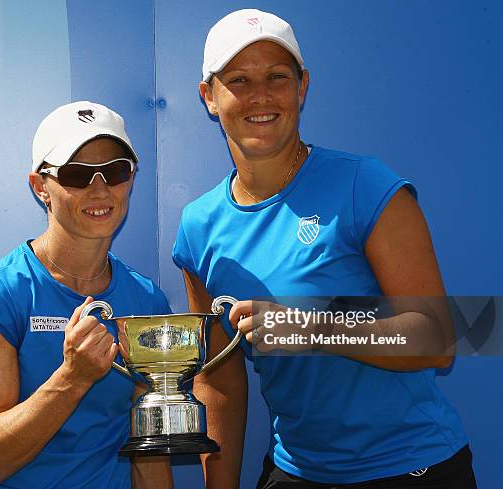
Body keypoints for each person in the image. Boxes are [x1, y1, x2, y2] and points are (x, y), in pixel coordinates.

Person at [172, 9, 477, 489]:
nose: (261, 96)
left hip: (411, 469)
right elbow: (219, 379)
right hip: (297, 472)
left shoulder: (365, 184)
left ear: (302, 87)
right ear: (209, 96)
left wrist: (308, 327)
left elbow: (438, 339)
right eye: (238, 80)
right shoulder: (198, 226)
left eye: (277, 76)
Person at [0, 101, 174, 488]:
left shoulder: (146, 301)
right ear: (41, 188)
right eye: (76, 175)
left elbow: (147, 450)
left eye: (116, 171)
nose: (100, 188)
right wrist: (73, 377)